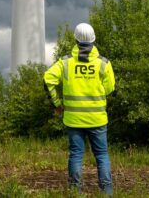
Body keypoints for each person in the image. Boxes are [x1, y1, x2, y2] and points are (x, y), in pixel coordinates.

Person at [43, 23, 115, 195]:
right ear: (93, 39)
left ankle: (75, 192)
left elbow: (47, 79)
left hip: (74, 119)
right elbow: (110, 87)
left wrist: (57, 103)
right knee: (102, 156)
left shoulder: (65, 62)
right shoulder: (103, 63)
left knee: (76, 155)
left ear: (75, 39)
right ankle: (107, 193)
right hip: (97, 118)